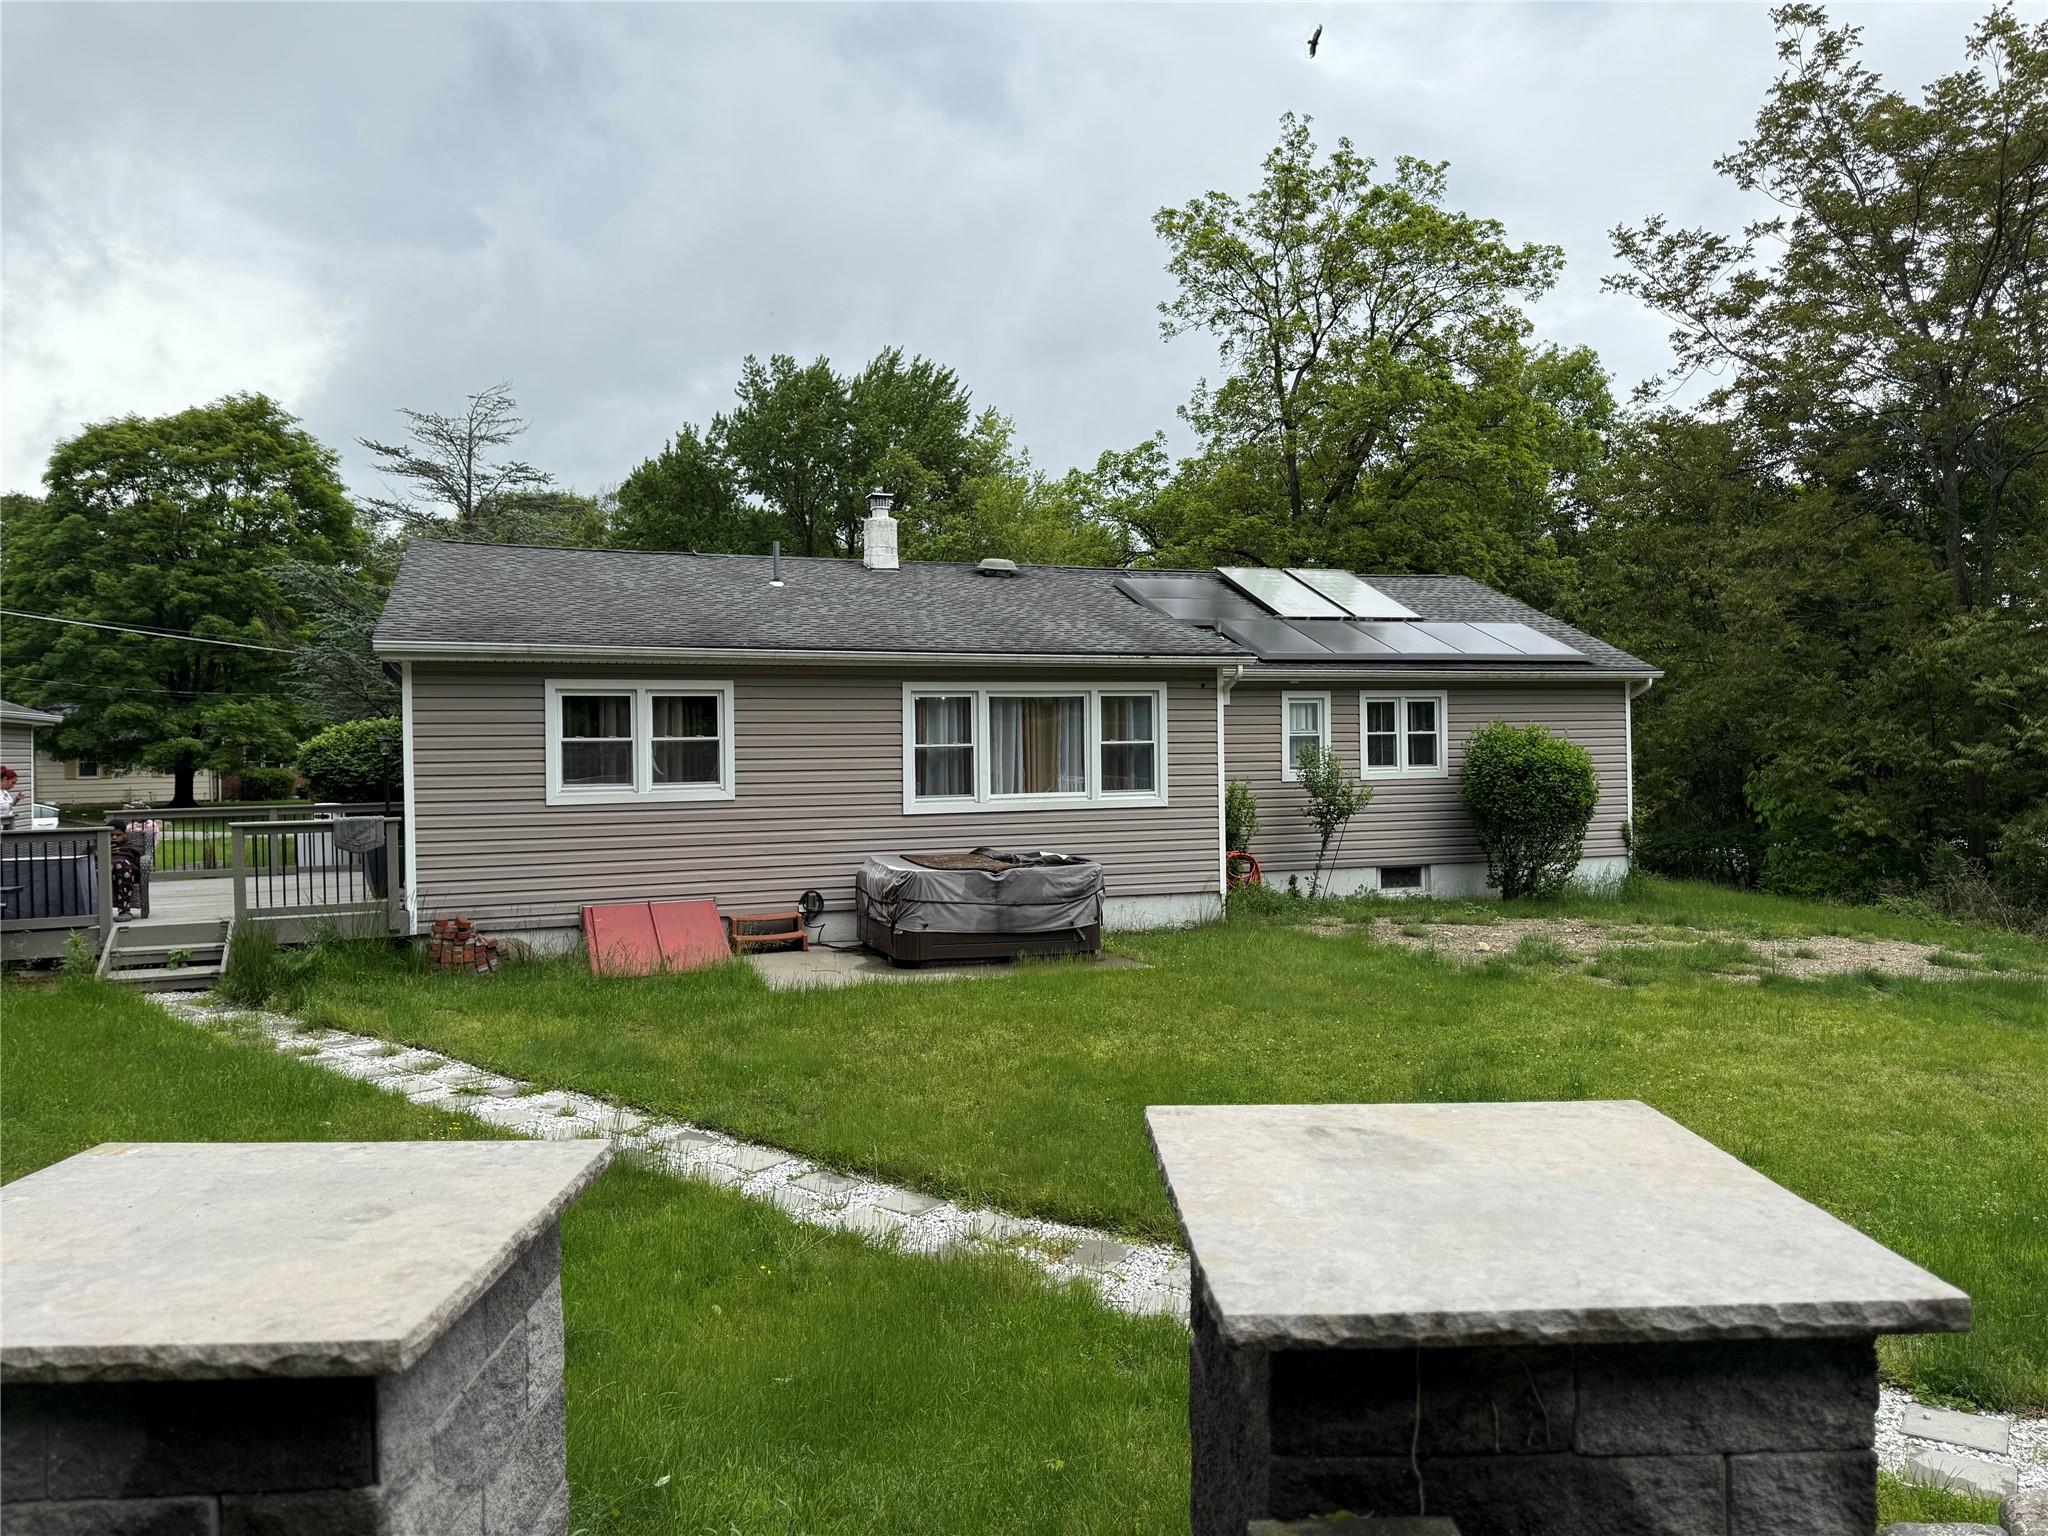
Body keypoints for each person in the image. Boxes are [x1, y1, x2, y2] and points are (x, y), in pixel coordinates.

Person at [109, 821, 143, 920]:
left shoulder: (132, 847)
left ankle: (125, 910)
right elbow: (87, 858)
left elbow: (140, 861)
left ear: (125, 835)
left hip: (127, 873)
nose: (114, 837)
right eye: (111, 835)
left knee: (120, 864)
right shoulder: (98, 847)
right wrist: (102, 852)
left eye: (118, 835)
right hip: (104, 874)